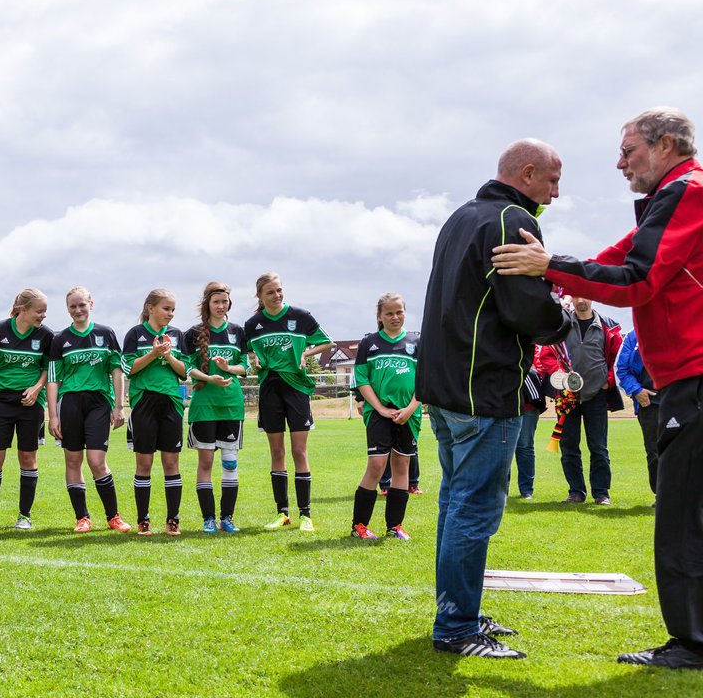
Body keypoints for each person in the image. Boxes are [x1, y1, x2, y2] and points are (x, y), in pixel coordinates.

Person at [493, 108, 703, 669]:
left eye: (628, 150)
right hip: (686, 377)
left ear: (664, 145)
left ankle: (692, 644)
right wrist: (551, 269)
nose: (620, 162)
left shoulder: (687, 191)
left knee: (682, 515)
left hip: (693, 378)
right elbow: (619, 258)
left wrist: (547, 264)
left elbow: (636, 280)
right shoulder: (674, 198)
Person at [416, 138, 573, 659]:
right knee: (473, 509)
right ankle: (457, 626)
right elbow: (526, 309)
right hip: (483, 388)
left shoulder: (462, 216)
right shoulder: (510, 219)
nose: (556, 189)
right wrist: (565, 317)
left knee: (455, 503)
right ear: (526, 173)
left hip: (445, 387)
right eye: (551, 178)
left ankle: (457, 612)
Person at [243, 273, 332, 531]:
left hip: (296, 389)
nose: (276, 295)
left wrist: (306, 352)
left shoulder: (300, 316)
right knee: (277, 452)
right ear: (260, 296)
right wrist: (253, 357)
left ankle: (306, 515)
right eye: (270, 292)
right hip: (270, 388)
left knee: (299, 451)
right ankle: (282, 513)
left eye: (279, 290)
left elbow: (327, 342)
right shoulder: (254, 324)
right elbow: (246, 349)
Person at [46, 286, 131, 533]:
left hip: (99, 403)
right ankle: (82, 517)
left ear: (90, 304)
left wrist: (119, 406)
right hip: (70, 403)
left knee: (96, 460)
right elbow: (53, 380)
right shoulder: (60, 339)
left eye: (82, 304)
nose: (78, 310)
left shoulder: (106, 334)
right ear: (67, 309)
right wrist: (52, 416)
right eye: (72, 306)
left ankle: (113, 516)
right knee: (73, 460)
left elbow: (117, 371)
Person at [535, 297, 622, 505]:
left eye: (585, 295)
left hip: (596, 395)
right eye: (576, 296)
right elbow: (545, 356)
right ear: (571, 299)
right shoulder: (560, 325)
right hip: (566, 396)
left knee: (599, 446)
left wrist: (607, 382)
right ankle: (576, 492)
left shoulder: (607, 326)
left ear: (592, 297)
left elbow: (616, 359)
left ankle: (601, 494)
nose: (581, 300)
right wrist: (560, 375)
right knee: (568, 445)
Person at [0, 288, 53, 530]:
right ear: (23, 309)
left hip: (30, 402)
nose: (43, 315)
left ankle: (25, 516)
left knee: (28, 457)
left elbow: (47, 369)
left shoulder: (46, 336)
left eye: (45, 311)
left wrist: (37, 388)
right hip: (1, 400)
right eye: (39, 311)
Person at [349, 293, 421, 542]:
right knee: (377, 465)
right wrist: (379, 408)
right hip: (379, 413)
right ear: (379, 316)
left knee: (402, 466)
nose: (395, 317)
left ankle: (395, 526)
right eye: (389, 313)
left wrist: (411, 408)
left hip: (408, 414)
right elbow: (362, 378)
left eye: (399, 311)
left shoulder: (416, 342)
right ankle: (359, 526)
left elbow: (424, 382)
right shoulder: (369, 343)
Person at [122, 289, 188, 536]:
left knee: (171, 462)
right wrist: (153, 353)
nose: (170, 314)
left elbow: (184, 372)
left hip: (171, 401)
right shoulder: (136, 334)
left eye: (173, 309)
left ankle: (173, 520)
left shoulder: (178, 335)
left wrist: (169, 356)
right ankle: (143, 520)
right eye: (166, 308)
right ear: (150, 308)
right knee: (144, 462)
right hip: (144, 402)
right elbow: (129, 368)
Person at [183, 282, 248, 533]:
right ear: (207, 304)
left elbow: (246, 365)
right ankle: (208, 519)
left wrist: (228, 368)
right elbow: (188, 367)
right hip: (204, 406)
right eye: (216, 302)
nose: (221, 306)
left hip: (231, 406)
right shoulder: (194, 333)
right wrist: (209, 378)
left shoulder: (237, 332)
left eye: (225, 301)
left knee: (230, 463)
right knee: (206, 463)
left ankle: (227, 518)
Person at [615, 329, 660, 496]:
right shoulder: (633, 336)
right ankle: (661, 495)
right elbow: (622, 370)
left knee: (686, 449)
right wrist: (636, 390)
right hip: (648, 403)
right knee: (654, 451)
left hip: (679, 400)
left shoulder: (682, 327)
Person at [511, 359, 547, 500]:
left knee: (525, 447)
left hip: (528, 407)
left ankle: (526, 490)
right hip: (505, 407)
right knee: (502, 449)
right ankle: (502, 490)